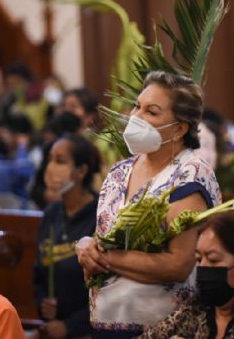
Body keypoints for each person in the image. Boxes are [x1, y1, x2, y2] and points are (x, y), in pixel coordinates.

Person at [76, 71, 222, 337]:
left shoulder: (190, 174)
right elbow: (102, 237)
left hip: (164, 329)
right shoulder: (119, 172)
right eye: (137, 106)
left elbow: (178, 265)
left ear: (179, 129)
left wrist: (106, 259)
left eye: (152, 112)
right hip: (105, 325)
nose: (136, 117)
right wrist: (85, 248)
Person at [34, 135, 101, 338]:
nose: (51, 167)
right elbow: (38, 273)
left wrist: (71, 326)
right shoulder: (52, 213)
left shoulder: (100, 214)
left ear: (81, 171)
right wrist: (43, 304)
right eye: (50, 159)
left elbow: (107, 286)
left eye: (60, 161)